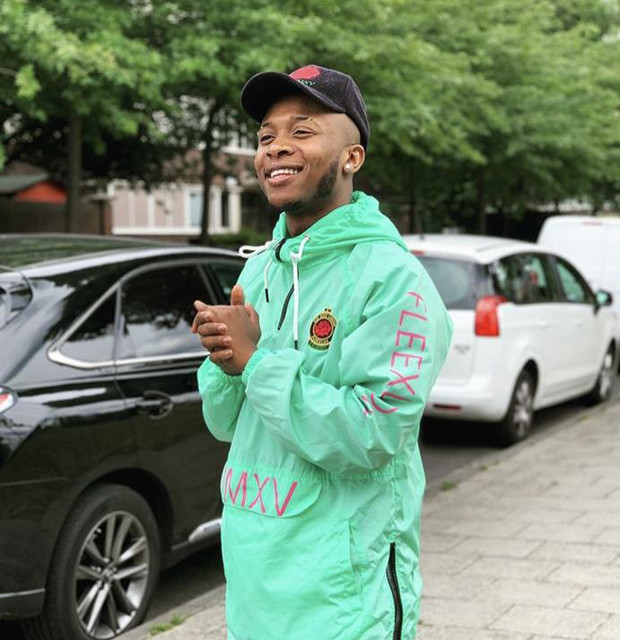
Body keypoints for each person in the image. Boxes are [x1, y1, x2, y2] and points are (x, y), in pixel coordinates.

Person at [191, 64, 453, 640]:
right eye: (266, 135)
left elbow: (373, 434)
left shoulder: (393, 280)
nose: (276, 147)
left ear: (352, 157)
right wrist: (226, 366)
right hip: (254, 593)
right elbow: (225, 425)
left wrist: (255, 363)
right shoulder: (259, 270)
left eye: (302, 131)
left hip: (344, 604)